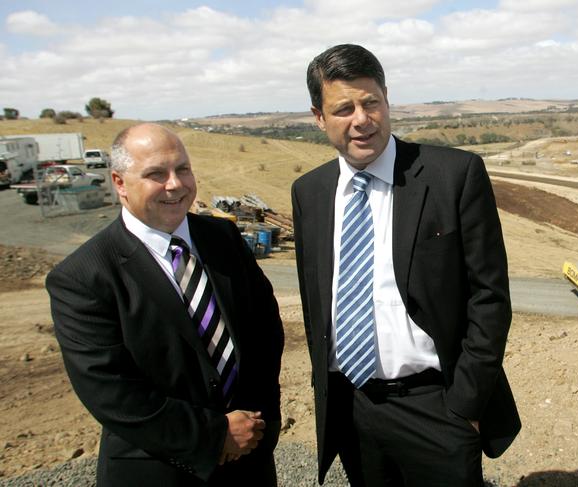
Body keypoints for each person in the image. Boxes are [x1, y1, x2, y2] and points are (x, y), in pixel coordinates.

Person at [291, 44, 521, 486]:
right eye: (343, 108)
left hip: (436, 406)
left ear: (386, 100)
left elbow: (489, 298)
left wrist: (465, 408)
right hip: (354, 408)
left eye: (370, 102)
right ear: (319, 117)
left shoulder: (453, 175)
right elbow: (314, 296)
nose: (362, 119)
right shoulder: (309, 192)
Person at [46, 123, 284, 486]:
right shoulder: (84, 276)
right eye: (156, 174)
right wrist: (214, 435)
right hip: (158, 468)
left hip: (249, 462)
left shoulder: (224, 237)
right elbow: (110, 391)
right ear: (120, 183)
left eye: (183, 169)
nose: (175, 184)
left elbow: (266, 332)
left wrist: (256, 422)